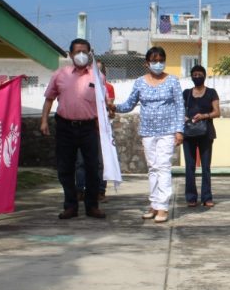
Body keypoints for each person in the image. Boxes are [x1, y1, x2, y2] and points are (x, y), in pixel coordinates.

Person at [110, 47, 184, 223]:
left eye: (161, 60)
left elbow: (180, 107)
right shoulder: (140, 82)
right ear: (147, 63)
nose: (158, 64)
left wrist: (179, 130)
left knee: (163, 167)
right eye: (154, 61)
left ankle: (163, 207)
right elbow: (129, 104)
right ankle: (154, 204)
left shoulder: (173, 81)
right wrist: (114, 107)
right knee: (152, 168)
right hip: (148, 131)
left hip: (167, 131)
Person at [41, 38, 106, 220]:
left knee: (93, 167)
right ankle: (70, 206)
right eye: (77, 52)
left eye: (85, 51)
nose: (81, 55)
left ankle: (92, 206)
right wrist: (44, 121)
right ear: (70, 54)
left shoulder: (98, 76)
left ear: (90, 53)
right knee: (65, 168)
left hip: (89, 128)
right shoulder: (59, 75)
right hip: (65, 126)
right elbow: (49, 99)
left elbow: (103, 102)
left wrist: (105, 119)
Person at [75, 60, 115, 203]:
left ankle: (100, 191)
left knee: (100, 162)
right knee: (80, 162)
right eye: (93, 69)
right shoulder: (80, 86)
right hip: (83, 128)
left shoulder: (108, 87)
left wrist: (110, 111)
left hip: (100, 130)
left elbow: (110, 109)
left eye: (99, 70)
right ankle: (80, 191)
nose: (95, 73)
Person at [182, 65, 220, 208]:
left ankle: (207, 197)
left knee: (206, 167)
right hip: (188, 134)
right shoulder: (186, 93)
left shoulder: (211, 92)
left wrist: (204, 116)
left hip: (206, 133)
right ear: (191, 77)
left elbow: (217, 112)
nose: (197, 77)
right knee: (189, 167)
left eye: (199, 74)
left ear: (204, 76)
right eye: (194, 75)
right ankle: (191, 197)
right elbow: (179, 110)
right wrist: (184, 117)